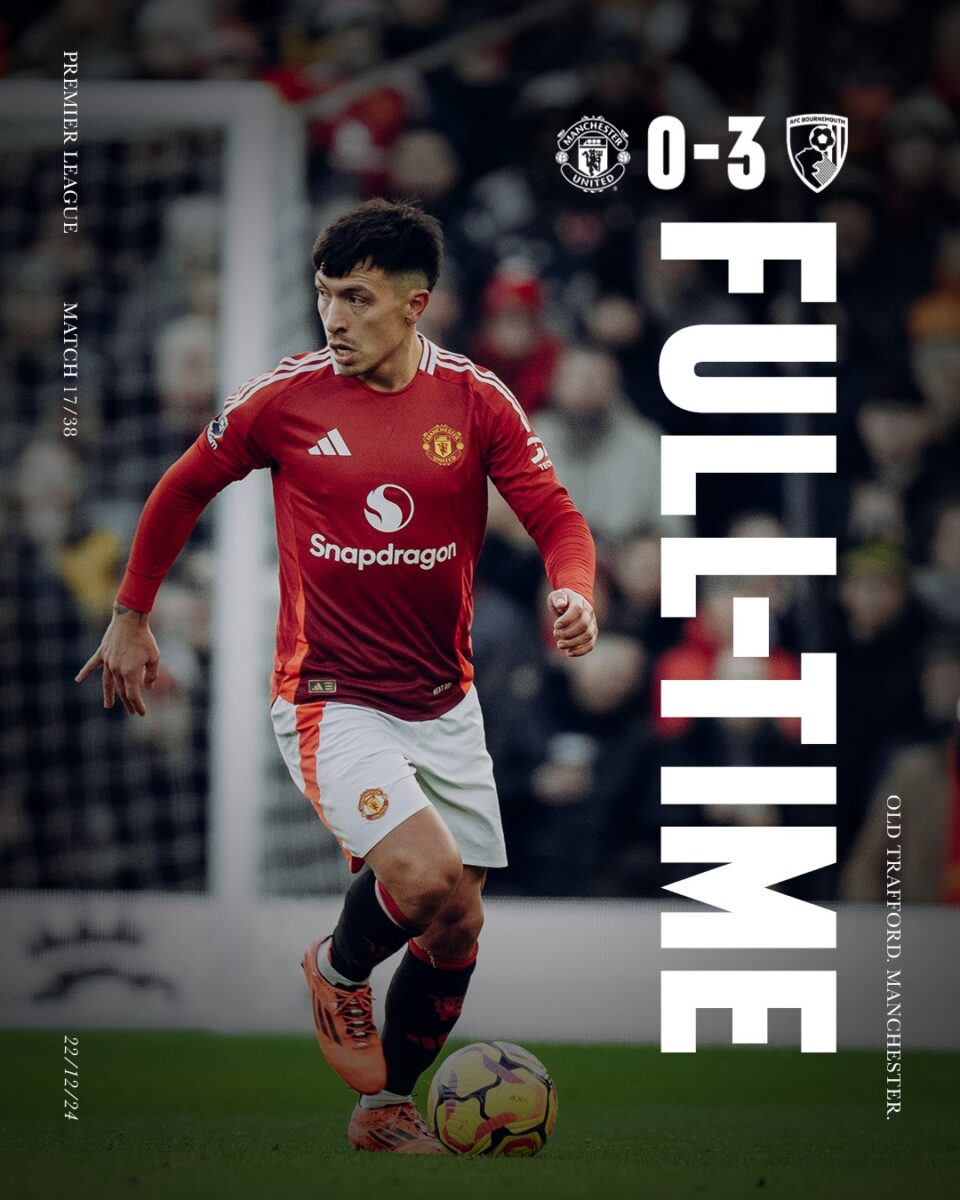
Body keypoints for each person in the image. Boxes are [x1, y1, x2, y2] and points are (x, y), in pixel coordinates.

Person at [76, 198, 598, 1154]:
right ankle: (337, 969)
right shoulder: (286, 398)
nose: (334, 317)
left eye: (357, 298)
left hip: (444, 701)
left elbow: (557, 517)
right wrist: (131, 612)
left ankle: (385, 1108)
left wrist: (574, 589)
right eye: (325, 295)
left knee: (456, 923)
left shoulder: (476, 400)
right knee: (424, 877)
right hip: (329, 696)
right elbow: (183, 485)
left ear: (415, 304)